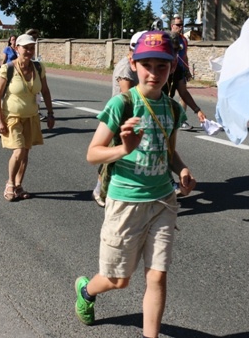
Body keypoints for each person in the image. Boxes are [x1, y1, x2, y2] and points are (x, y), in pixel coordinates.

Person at [75, 30, 196, 338]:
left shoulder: (172, 108)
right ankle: (87, 292)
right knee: (118, 280)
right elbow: (93, 153)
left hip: (163, 203)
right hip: (125, 202)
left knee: (157, 278)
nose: (154, 73)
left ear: (171, 68)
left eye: (162, 66)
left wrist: (181, 170)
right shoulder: (122, 104)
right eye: (147, 65)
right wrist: (123, 149)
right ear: (134, 63)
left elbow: (169, 152)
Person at [0, 33, 55, 201]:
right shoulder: (7, 69)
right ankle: (10, 184)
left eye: (32, 48)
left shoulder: (39, 67)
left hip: (31, 116)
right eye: (25, 48)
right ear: (17, 48)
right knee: (19, 151)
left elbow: (45, 91)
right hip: (12, 117)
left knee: (26, 152)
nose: (29, 51)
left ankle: (19, 186)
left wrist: (50, 114)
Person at [92, 30, 142, 207]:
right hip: (121, 118)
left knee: (118, 156)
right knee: (113, 156)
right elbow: (127, 94)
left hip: (130, 118)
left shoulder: (137, 64)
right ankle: (100, 190)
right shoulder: (126, 67)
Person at [164, 17, 206, 129]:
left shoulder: (184, 39)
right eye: (178, 24)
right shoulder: (166, 38)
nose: (180, 27)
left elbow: (184, 56)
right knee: (166, 95)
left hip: (179, 69)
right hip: (168, 71)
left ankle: (181, 120)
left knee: (183, 94)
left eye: (182, 24)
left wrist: (187, 70)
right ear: (172, 25)